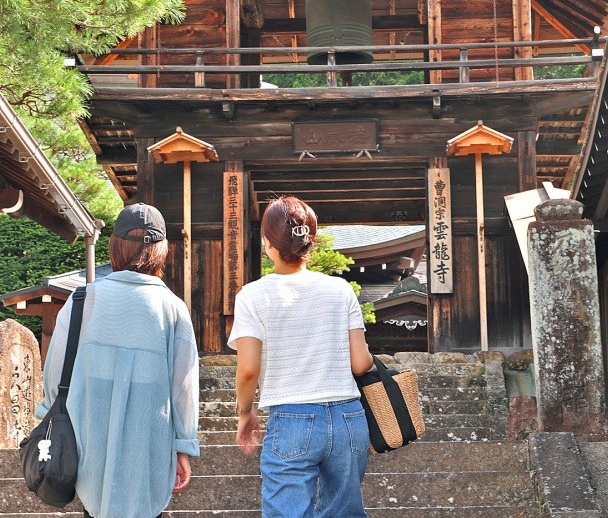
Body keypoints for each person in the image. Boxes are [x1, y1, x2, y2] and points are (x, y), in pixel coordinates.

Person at [36, 203, 199, 518]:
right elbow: (184, 387)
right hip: (148, 449)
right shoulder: (173, 308)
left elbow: (55, 375)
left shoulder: (81, 301)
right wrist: (183, 445)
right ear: (161, 250)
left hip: (88, 446)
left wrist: (49, 418)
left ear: (115, 246)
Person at [228, 196, 375, 518]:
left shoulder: (252, 295)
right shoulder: (341, 290)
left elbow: (249, 369)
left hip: (292, 417)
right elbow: (361, 363)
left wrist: (245, 413)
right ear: (310, 240)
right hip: (349, 417)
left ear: (268, 243)